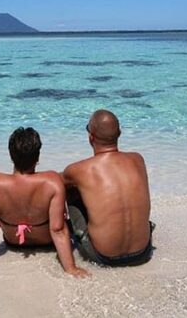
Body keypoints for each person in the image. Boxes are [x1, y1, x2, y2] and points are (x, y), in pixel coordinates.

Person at [0, 127, 89, 277]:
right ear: (37, 157)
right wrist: (71, 268)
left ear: (11, 156)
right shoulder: (51, 182)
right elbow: (57, 229)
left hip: (14, 244)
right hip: (47, 243)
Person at [62, 109, 154, 266]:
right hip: (143, 253)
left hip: (103, 256)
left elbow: (54, 184)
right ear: (119, 133)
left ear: (91, 137)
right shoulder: (138, 159)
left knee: (70, 189)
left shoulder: (79, 170)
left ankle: (65, 233)